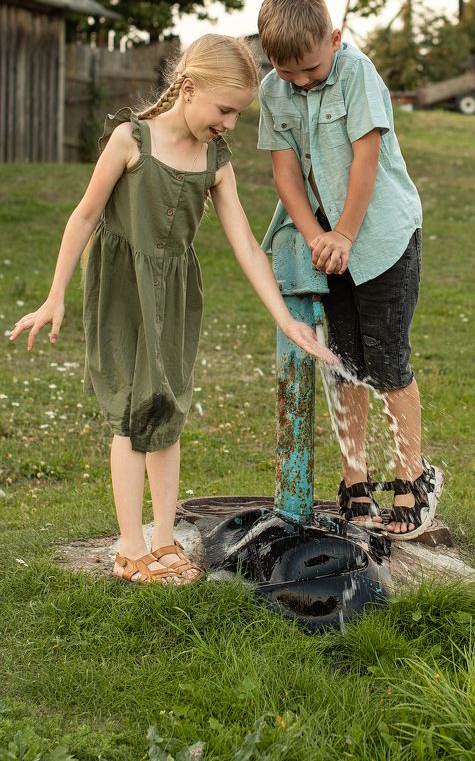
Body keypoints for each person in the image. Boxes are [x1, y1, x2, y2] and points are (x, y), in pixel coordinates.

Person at [10, 34, 334, 584]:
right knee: (133, 412)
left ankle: (163, 537)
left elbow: (248, 248)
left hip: (176, 294)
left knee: (168, 405)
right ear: (188, 88)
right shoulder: (129, 140)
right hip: (121, 287)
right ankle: (129, 547)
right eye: (225, 109)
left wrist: (286, 318)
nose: (231, 123)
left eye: (238, 113)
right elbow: (84, 216)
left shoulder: (215, 160)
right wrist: (54, 295)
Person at [257, 0, 443, 539]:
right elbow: (285, 171)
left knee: (387, 362)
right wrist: (317, 236)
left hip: (381, 238)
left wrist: (344, 232)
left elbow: (367, 157)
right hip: (329, 246)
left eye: (311, 70)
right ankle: (355, 482)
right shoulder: (275, 89)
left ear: (334, 38)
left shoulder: (357, 72)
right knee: (343, 364)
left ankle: (413, 477)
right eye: (289, 74)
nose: (302, 82)